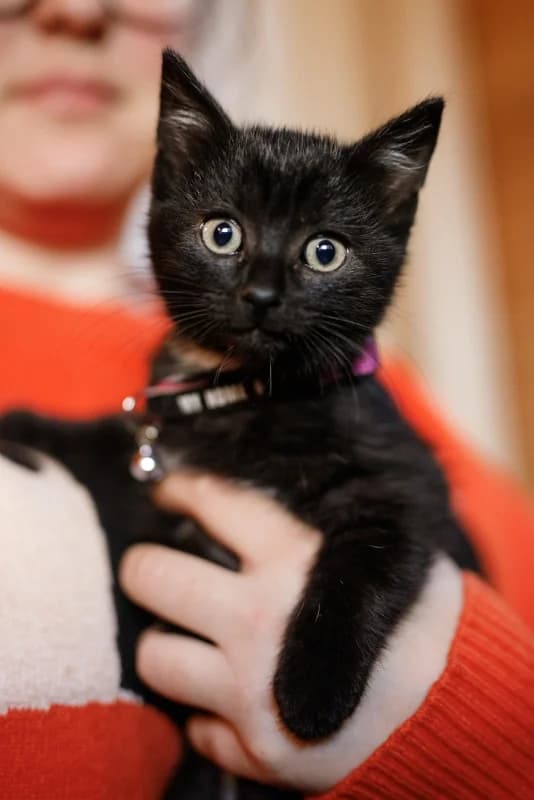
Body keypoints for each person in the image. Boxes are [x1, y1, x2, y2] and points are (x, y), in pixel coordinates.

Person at [0, 1, 533, 798]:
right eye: (224, 236)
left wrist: (450, 718)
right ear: (175, 179)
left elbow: (398, 507)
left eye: (322, 252)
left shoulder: (367, 391)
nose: (77, 10)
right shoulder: (167, 392)